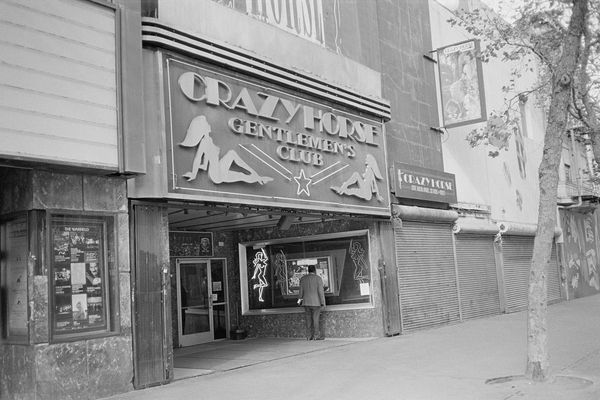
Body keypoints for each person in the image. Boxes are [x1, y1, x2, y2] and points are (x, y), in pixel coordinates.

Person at [298, 265, 326, 340]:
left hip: (306, 303)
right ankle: (316, 336)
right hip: (316, 303)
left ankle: (308, 336)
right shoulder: (318, 278)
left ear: (308, 270)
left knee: (308, 320)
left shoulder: (303, 279)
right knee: (315, 319)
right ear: (315, 270)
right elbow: (321, 292)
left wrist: (298, 302)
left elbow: (300, 293)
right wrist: (323, 303)